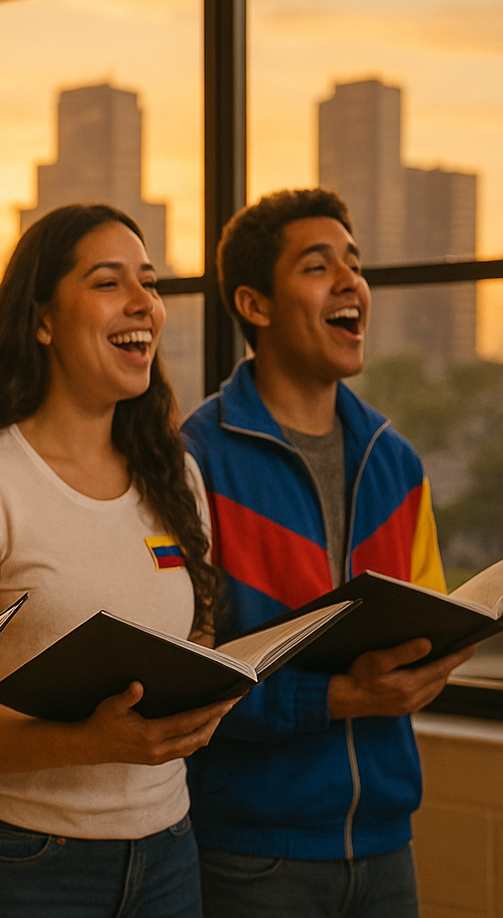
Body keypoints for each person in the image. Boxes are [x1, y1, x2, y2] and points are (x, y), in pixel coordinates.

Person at [0, 203, 236, 918]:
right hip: (23, 862)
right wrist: (90, 741)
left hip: (168, 851)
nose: (144, 303)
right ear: (44, 320)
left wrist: (199, 693)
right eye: (109, 282)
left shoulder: (175, 472)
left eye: (148, 283)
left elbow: (199, 632)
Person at [181, 188, 474, 918]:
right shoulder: (194, 461)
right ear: (255, 304)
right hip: (251, 857)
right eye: (319, 267)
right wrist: (342, 697)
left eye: (355, 264)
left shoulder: (397, 462)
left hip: (386, 851)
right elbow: (188, 683)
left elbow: (432, 627)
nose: (350, 282)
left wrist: (427, 666)